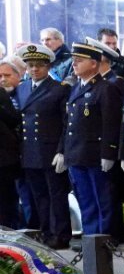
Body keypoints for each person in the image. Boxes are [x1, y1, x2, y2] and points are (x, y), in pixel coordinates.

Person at [15, 44, 72, 248]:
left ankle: (61, 234)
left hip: (49, 149)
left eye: (39, 65)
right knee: (39, 196)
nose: (34, 69)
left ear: (48, 66)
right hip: (29, 151)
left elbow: (66, 123)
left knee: (56, 195)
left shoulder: (59, 89)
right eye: (30, 65)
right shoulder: (21, 88)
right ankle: (46, 232)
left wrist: (62, 150)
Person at [63, 42, 121, 236]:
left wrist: (108, 152)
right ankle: (90, 237)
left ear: (94, 64)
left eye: (79, 61)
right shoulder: (75, 88)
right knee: (85, 200)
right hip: (76, 154)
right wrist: (63, 151)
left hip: (95, 155)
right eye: (73, 61)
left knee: (102, 200)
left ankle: (102, 239)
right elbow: (69, 124)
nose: (74, 64)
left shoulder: (105, 89)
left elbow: (111, 123)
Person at [0, 56, 25, 228]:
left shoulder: (1, 94)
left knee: (7, 203)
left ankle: (11, 239)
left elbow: (13, 119)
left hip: (4, 159)